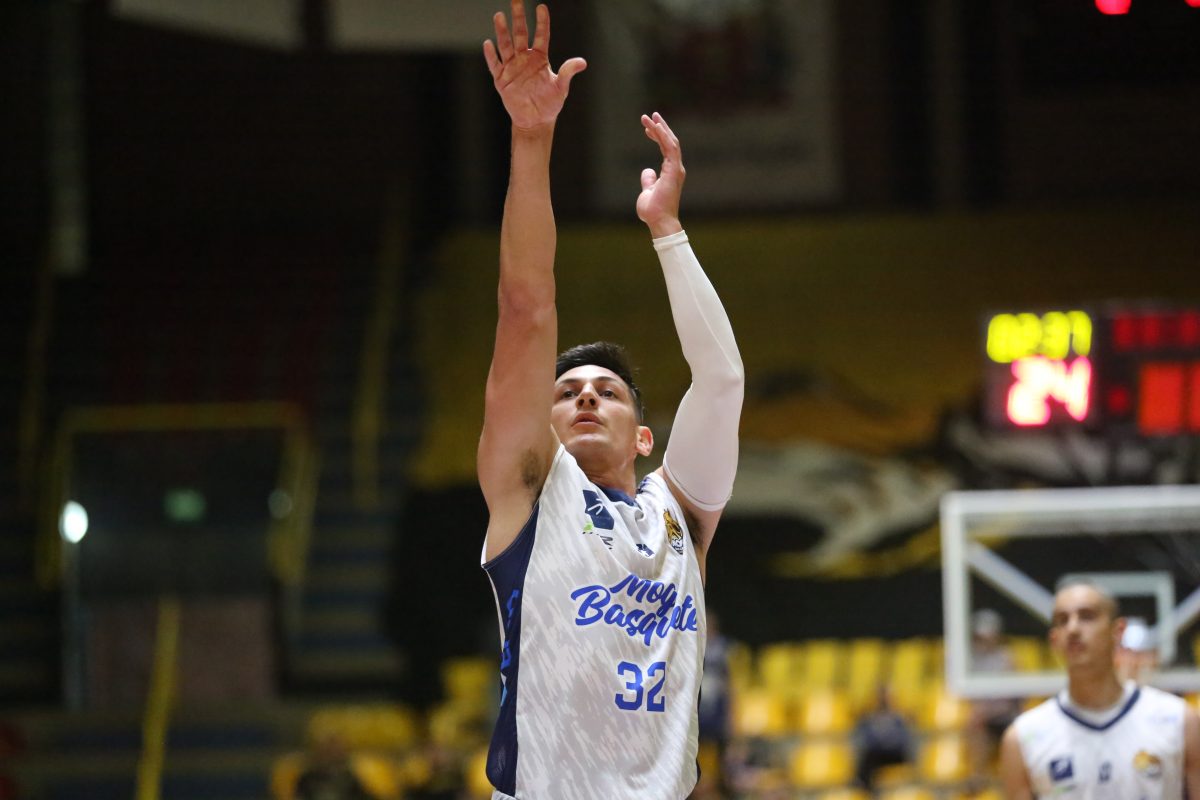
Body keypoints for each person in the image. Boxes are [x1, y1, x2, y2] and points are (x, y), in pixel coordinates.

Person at [476, 1, 744, 797]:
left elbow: (722, 378)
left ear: (645, 438)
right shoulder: (532, 488)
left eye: (609, 392)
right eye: (566, 393)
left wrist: (667, 229)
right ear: (545, 427)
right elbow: (526, 306)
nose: (587, 398)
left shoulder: (680, 514)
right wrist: (532, 140)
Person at [999, 578, 1200, 799]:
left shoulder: (1179, 720)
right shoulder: (1023, 737)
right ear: (1054, 640)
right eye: (1063, 620)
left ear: (1118, 631)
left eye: (1087, 616)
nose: (1073, 628)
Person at [966, 608, 1021, 780]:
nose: (983, 640)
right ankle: (978, 775)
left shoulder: (1006, 658)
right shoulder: (969, 659)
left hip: (1006, 714)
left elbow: (1012, 696)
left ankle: (1018, 775)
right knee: (976, 725)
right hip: (983, 717)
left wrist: (986, 710)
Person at [851, 685, 915, 792]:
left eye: (886, 696)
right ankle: (865, 791)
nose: (883, 700)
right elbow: (866, 738)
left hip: (895, 754)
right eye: (881, 696)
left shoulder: (898, 717)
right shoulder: (870, 717)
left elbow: (904, 738)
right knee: (866, 762)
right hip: (876, 755)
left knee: (908, 761)